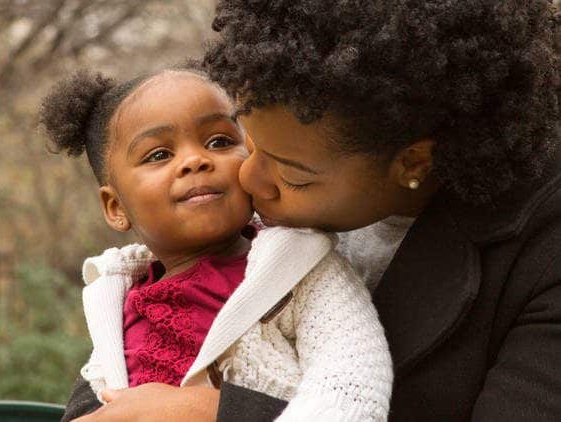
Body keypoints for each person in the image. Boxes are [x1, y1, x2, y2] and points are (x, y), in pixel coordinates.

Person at [63, 0, 561, 421]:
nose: (246, 179)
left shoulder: (542, 255)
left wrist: (217, 413)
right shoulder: (222, 232)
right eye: (249, 141)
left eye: (292, 172)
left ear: (413, 160)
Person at [38, 67, 392, 421]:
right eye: (159, 155)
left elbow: (352, 389)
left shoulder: (301, 268)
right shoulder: (117, 299)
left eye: (219, 142)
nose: (195, 161)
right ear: (116, 208)